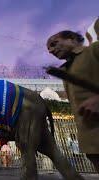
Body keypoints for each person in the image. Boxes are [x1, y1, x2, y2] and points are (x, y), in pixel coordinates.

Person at [47, 30, 99, 173]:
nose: (51, 50)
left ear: (71, 38)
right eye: (49, 49)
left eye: (54, 44)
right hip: (90, 139)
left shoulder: (93, 52)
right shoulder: (65, 70)